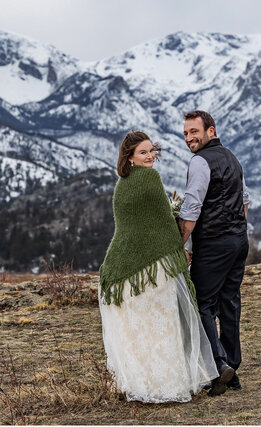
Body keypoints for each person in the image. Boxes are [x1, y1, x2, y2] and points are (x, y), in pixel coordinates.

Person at [98, 130, 218, 403]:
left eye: (153, 150)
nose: (150, 156)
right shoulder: (150, 179)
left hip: (123, 266)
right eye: (143, 152)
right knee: (163, 325)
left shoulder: (122, 184)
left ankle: (142, 385)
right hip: (153, 268)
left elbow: (133, 227)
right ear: (129, 157)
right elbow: (164, 222)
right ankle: (168, 385)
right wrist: (178, 250)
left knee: (140, 330)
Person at [178, 110, 250, 397]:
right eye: (185, 133)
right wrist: (236, 230)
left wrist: (181, 244)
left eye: (194, 131)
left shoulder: (200, 161)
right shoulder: (232, 157)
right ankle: (232, 366)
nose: (189, 138)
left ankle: (218, 365)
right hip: (238, 241)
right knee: (230, 302)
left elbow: (192, 207)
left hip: (214, 243)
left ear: (211, 130)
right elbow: (245, 200)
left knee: (203, 303)